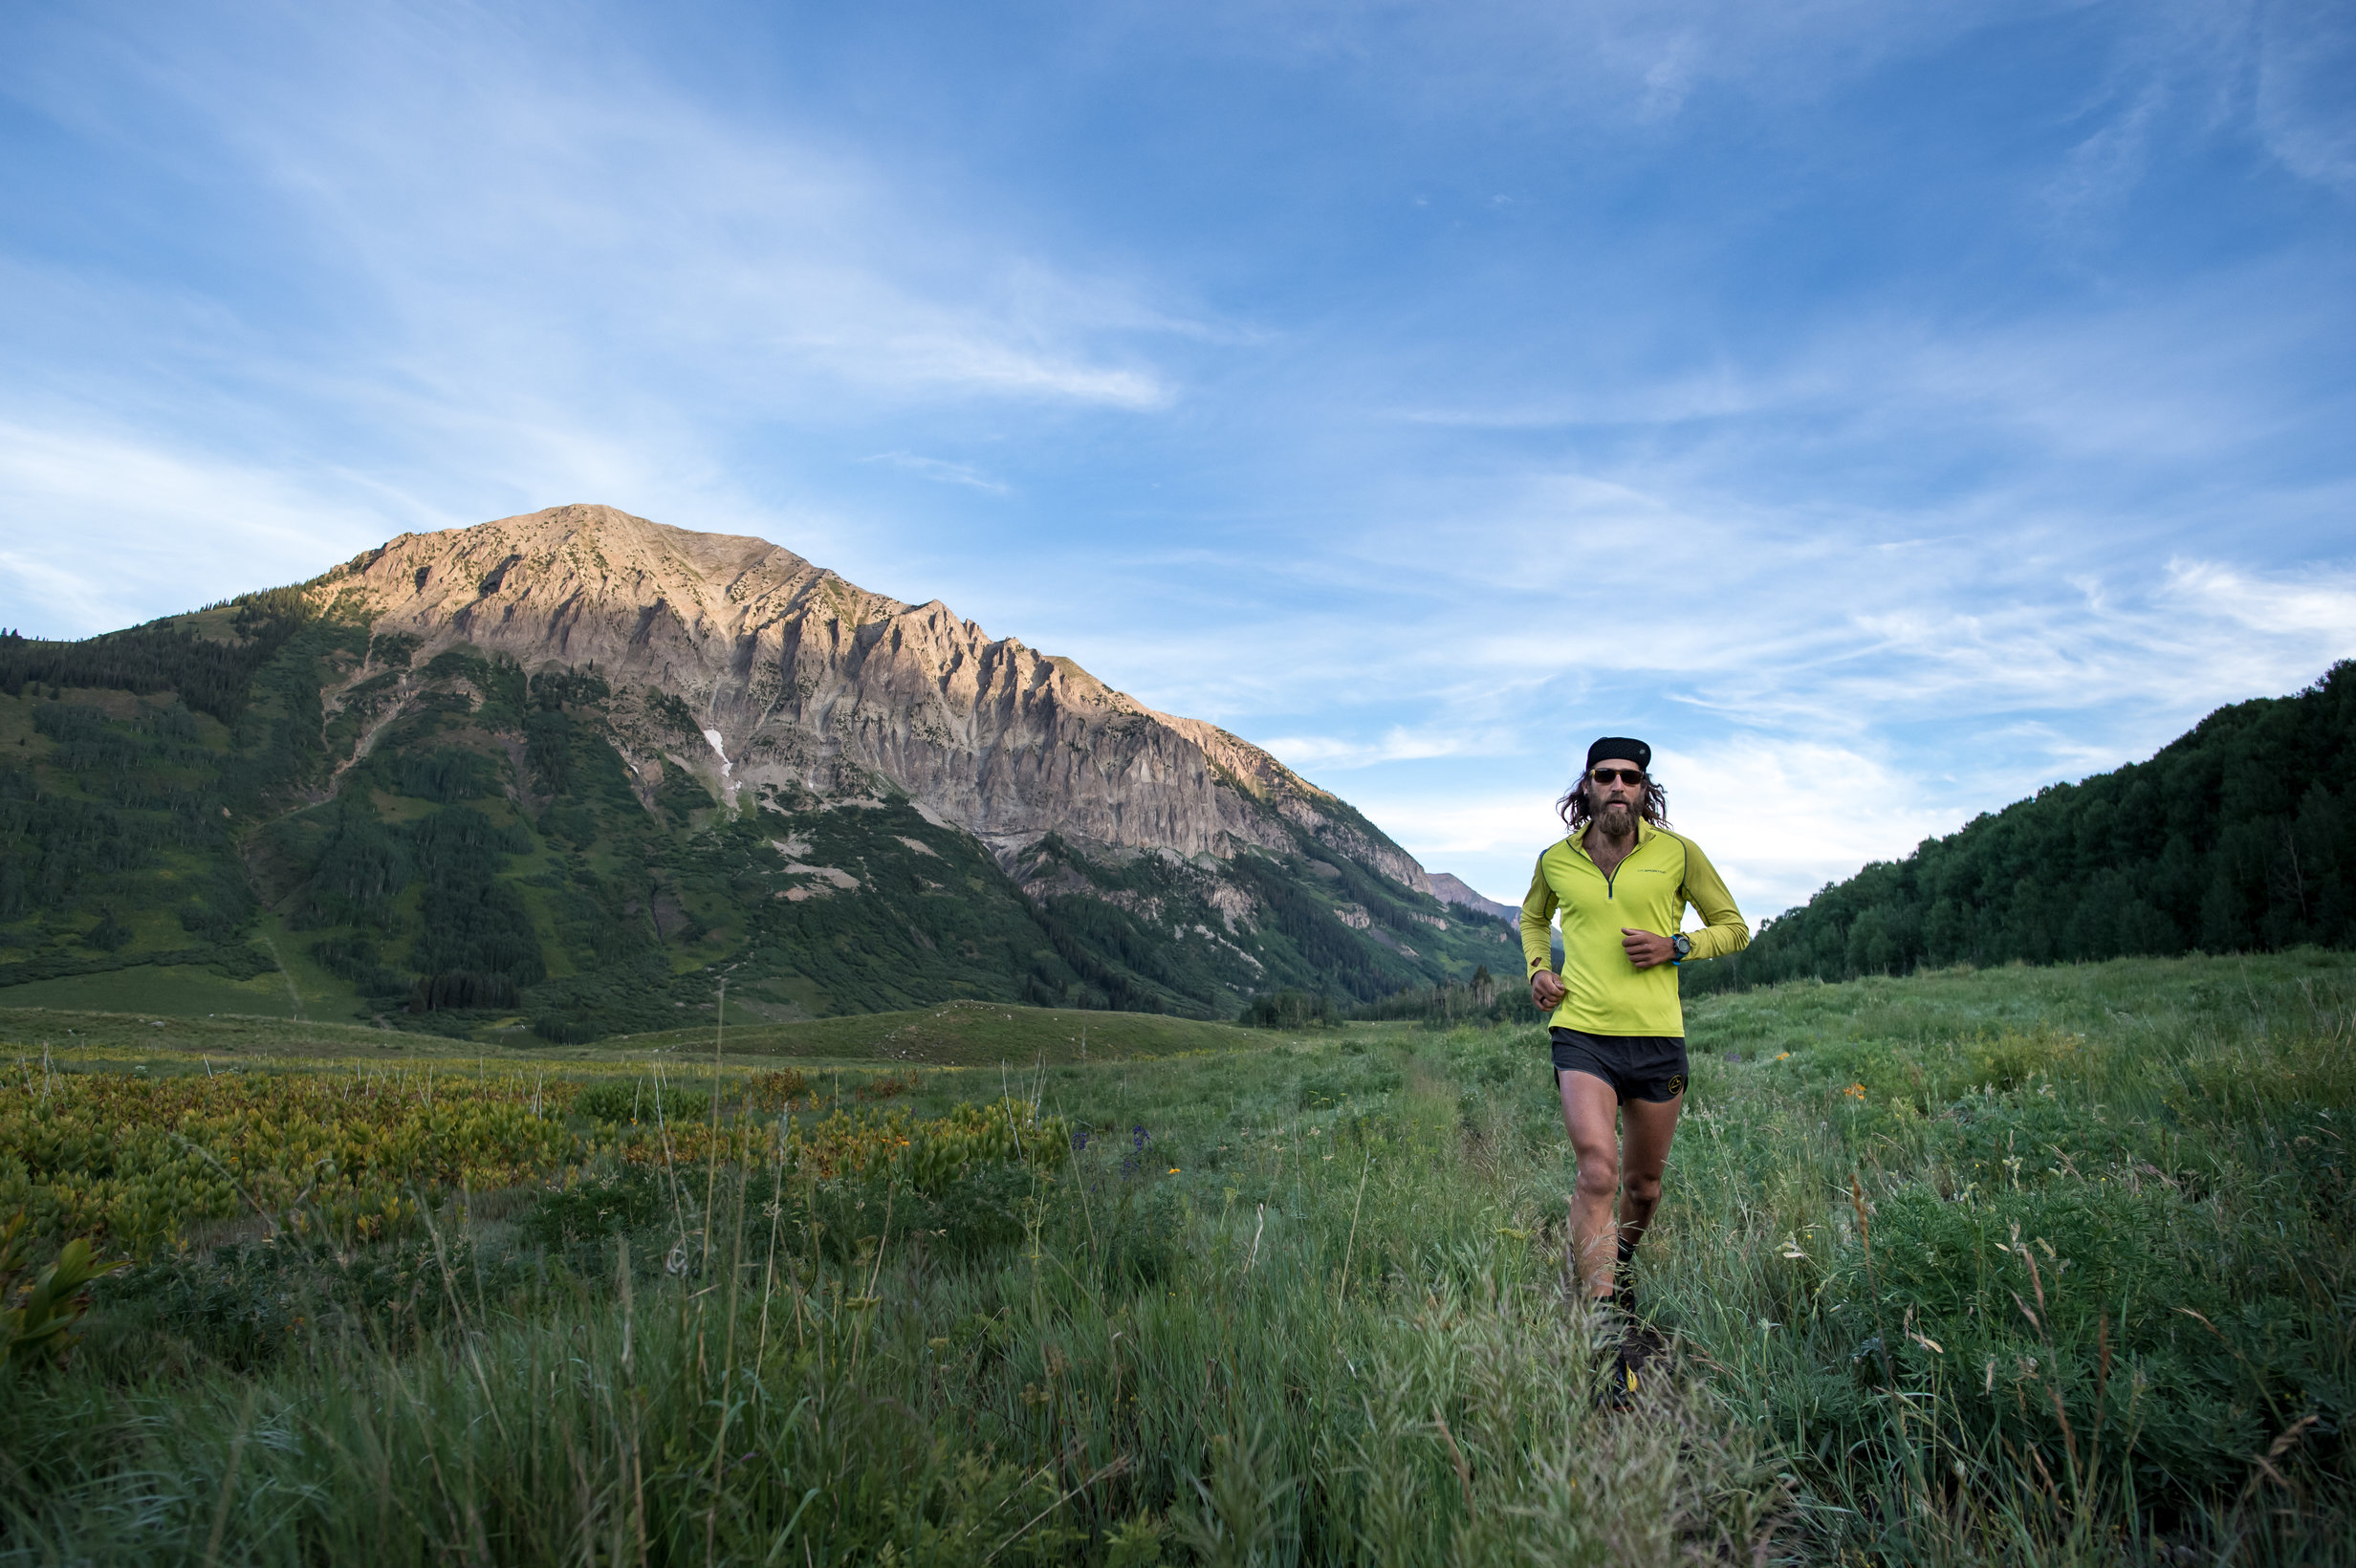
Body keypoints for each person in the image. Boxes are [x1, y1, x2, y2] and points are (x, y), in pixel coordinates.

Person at [1519, 737, 1747, 1371]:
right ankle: (1600, 1323)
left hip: (1656, 1039)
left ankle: (1617, 1266)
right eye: (1606, 776)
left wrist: (1676, 946)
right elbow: (1533, 919)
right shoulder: (1556, 860)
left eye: (1631, 777)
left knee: (1644, 1189)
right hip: (1582, 1033)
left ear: (1645, 790)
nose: (1619, 785)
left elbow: (1733, 927)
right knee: (1597, 1170)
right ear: (1586, 787)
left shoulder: (1678, 854)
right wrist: (1539, 968)